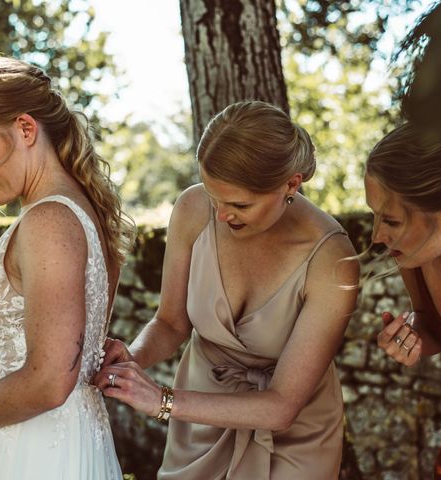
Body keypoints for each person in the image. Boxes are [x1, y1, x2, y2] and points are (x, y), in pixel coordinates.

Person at [94, 100, 360, 479]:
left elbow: (282, 406)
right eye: (213, 196)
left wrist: (162, 401)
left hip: (294, 437)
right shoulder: (192, 209)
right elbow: (170, 323)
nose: (220, 214)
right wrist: (131, 360)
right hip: (199, 419)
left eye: (238, 204)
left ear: (291, 184)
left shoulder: (332, 258)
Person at [0, 56, 134, 479]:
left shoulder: (49, 221)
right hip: (58, 441)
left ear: (25, 128)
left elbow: (50, 379)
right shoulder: (81, 214)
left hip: (32, 452)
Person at [366, 121, 441, 478]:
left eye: (390, 220)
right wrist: (413, 338)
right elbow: (430, 323)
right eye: (374, 215)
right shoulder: (415, 256)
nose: (376, 235)